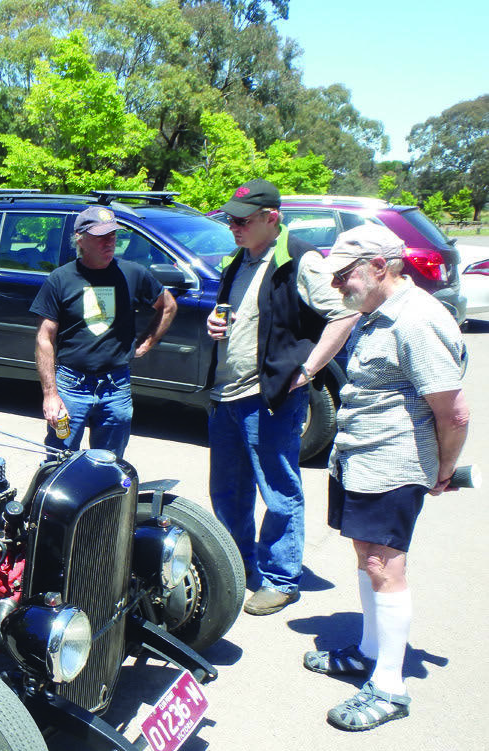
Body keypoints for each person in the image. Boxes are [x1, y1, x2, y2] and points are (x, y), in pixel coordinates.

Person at [302, 224, 468, 731]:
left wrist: (441, 471)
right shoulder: (376, 314)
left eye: (344, 276)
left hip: (393, 463)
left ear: (380, 266)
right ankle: (369, 652)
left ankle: (390, 687)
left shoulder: (416, 319)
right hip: (360, 458)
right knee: (365, 554)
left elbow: (454, 412)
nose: (337, 287)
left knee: (383, 564)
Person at [207, 179, 360, 616]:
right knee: (229, 492)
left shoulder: (301, 259)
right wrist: (216, 328)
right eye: (230, 219)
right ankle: (236, 566)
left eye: (242, 220)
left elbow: (345, 312)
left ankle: (281, 578)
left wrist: (310, 369)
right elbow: (240, 319)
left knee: (278, 491)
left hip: (268, 397)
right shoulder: (241, 259)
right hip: (226, 395)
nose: (233, 226)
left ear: (271, 218)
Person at [31, 205, 177, 460]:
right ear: (81, 239)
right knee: (58, 462)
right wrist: (50, 395)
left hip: (115, 387)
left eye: (113, 235)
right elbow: (44, 338)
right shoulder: (60, 279)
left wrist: (146, 343)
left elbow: (168, 306)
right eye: (101, 236)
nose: (109, 242)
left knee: (108, 466)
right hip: (70, 386)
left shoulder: (132, 273)